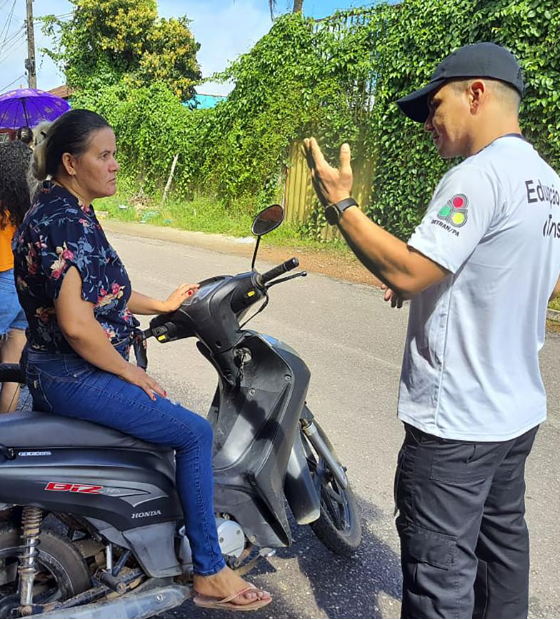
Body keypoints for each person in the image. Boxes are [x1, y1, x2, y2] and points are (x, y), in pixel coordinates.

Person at [303, 42, 560, 619]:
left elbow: (408, 269)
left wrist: (341, 206)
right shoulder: (546, 181)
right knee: (500, 563)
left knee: (440, 581)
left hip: (458, 426)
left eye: (433, 105)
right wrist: (434, 282)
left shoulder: (478, 176)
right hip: (514, 415)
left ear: (475, 93)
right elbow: (540, 281)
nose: (426, 124)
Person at [12, 109, 272, 612]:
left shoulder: (57, 207)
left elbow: (103, 292)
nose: (114, 165)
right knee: (193, 433)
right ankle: (211, 571)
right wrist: (130, 370)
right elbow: (78, 323)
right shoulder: (66, 222)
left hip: (50, 367)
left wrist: (165, 305)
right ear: (70, 162)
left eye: (114, 154)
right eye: (103, 155)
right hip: (73, 370)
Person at [0, 141, 34, 412]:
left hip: (2, 281)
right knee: (11, 365)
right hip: (24, 283)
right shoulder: (31, 204)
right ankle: (6, 428)